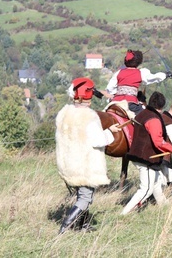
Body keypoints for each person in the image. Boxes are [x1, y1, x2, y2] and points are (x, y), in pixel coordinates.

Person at [56, 77, 122, 234]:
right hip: (85, 164)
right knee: (85, 198)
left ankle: (82, 226)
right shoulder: (89, 116)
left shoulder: (64, 113)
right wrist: (110, 131)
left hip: (69, 163)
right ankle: (64, 229)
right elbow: (98, 141)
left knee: (81, 195)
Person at [121, 91, 172, 215]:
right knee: (146, 189)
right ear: (162, 106)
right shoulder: (154, 119)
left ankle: (165, 206)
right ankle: (124, 214)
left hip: (138, 154)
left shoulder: (142, 114)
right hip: (146, 158)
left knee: (157, 183)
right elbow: (158, 142)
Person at [104, 50, 171, 115]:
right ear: (139, 62)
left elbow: (110, 88)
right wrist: (165, 75)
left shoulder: (118, 72)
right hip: (130, 104)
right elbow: (152, 78)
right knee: (145, 117)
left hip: (115, 102)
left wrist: (117, 94)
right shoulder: (140, 73)